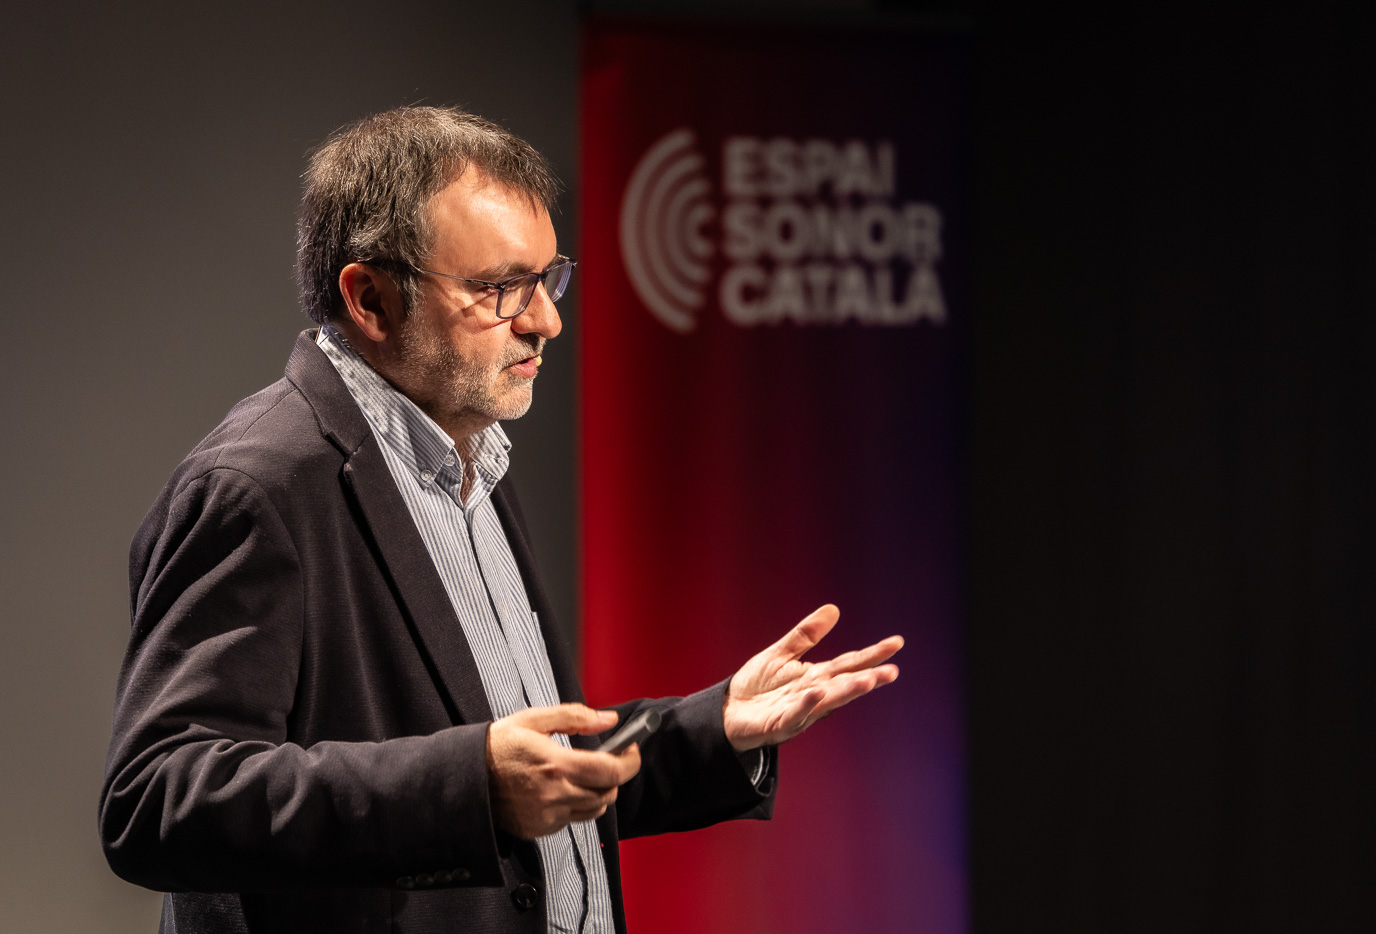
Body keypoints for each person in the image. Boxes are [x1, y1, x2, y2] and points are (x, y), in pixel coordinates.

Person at [99, 106, 903, 934]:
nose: (546, 320)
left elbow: (533, 773)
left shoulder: (469, 452)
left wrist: (713, 729)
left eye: (549, 280)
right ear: (371, 298)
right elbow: (158, 799)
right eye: (500, 288)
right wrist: (472, 788)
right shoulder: (260, 486)